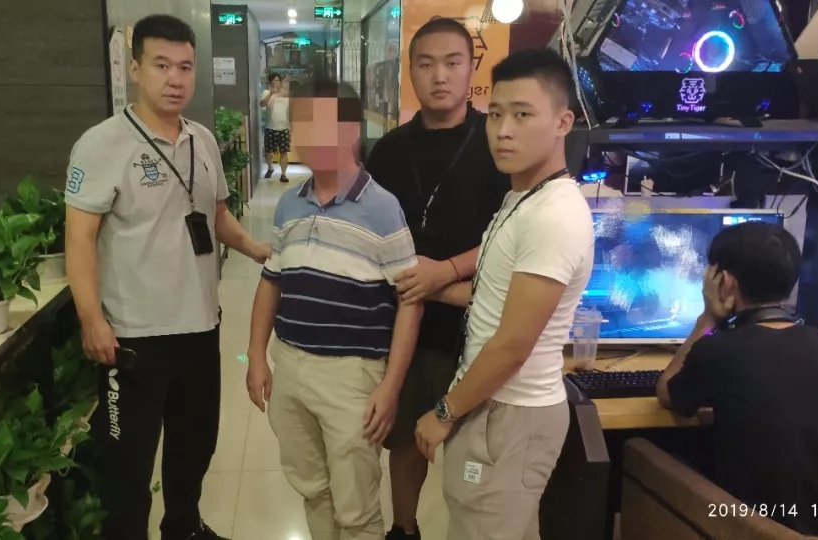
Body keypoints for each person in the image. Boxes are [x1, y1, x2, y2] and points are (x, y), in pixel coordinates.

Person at [63, 14, 270, 540]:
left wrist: (254, 248)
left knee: (194, 446)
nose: (175, 79)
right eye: (161, 65)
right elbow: (80, 239)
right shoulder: (100, 144)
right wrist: (91, 318)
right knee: (128, 465)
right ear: (134, 68)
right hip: (133, 337)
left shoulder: (203, 140)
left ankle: (184, 528)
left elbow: (215, 214)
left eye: (185, 67)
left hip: (200, 326)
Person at [413, 49, 594, 540]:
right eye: (495, 115)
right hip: (497, 406)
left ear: (563, 122)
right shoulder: (523, 198)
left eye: (522, 115)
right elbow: (495, 298)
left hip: (511, 412)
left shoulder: (554, 216)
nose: (503, 130)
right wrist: (430, 288)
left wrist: (444, 411)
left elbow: (513, 344)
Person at [244, 79, 423, 540]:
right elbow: (271, 282)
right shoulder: (290, 204)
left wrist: (390, 386)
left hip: (351, 375)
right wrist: (257, 356)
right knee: (312, 488)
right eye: (303, 123)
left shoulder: (383, 208)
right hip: (291, 366)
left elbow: (410, 302)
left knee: (356, 506)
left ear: (352, 131)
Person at [363, 17, 510, 540]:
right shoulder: (388, 150)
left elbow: (508, 233)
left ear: (471, 69)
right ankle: (404, 530)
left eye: (452, 63)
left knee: (473, 450)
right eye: (426, 64)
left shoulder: (496, 141)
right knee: (405, 439)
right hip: (405, 324)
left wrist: (444, 273)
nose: (439, 76)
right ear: (410, 72)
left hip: (476, 326)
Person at [656, 221, 818, 537]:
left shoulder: (718, 349)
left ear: (724, 281)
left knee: (662, 453)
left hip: (750, 528)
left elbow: (666, 393)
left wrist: (708, 318)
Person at [260, 73, 291, 182]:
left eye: (277, 80)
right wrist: (271, 93)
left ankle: (283, 174)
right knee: (269, 151)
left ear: (280, 82)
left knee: (284, 152)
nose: (275, 83)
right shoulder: (266, 93)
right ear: (270, 82)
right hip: (270, 127)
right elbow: (262, 104)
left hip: (284, 127)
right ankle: (270, 168)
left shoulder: (286, 94)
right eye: (273, 81)